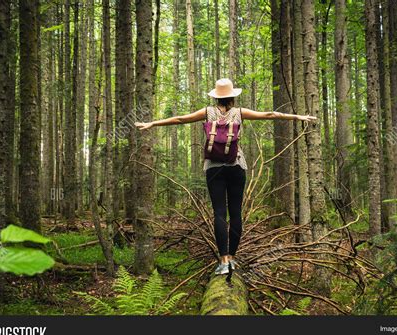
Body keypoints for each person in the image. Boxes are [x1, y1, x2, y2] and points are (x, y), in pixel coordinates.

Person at [135, 78, 317, 275]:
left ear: (216, 96)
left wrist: (152, 123)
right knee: (236, 213)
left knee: (220, 213)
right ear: (232, 96)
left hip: (214, 167)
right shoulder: (239, 113)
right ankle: (232, 258)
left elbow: (179, 119)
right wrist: (297, 117)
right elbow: (270, 114)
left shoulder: (207, 112)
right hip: (236, 165)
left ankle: (223, 261)